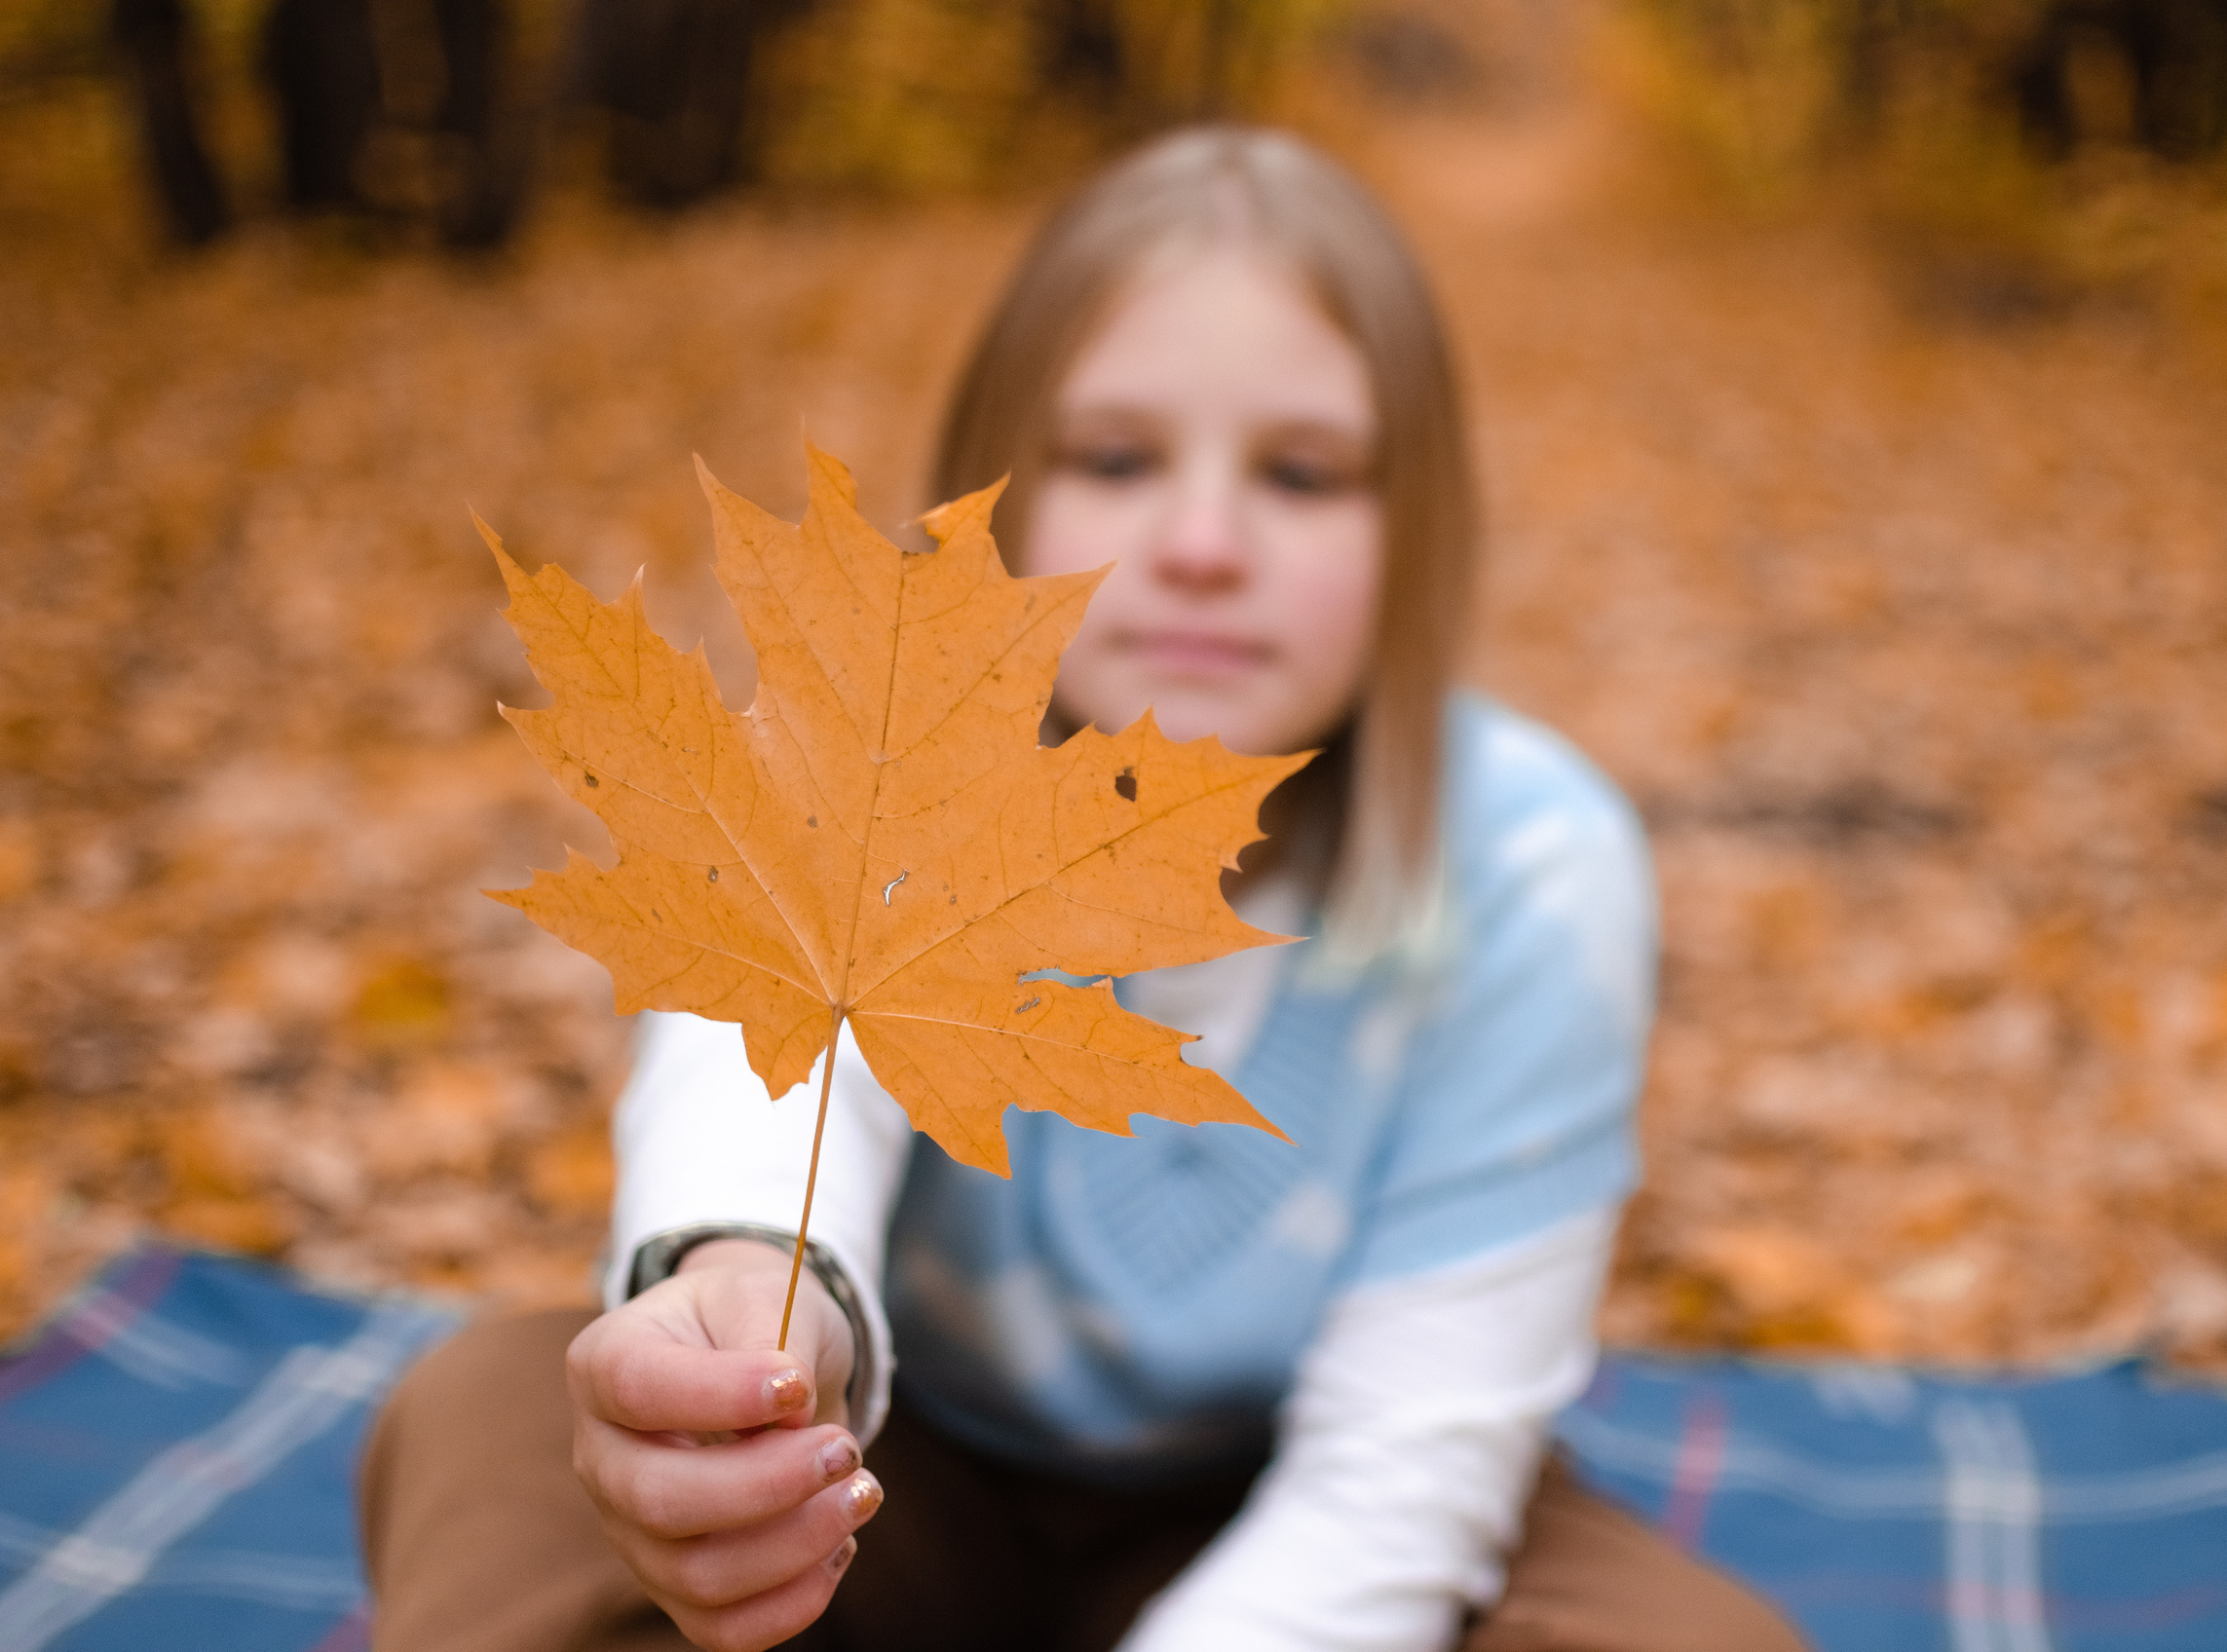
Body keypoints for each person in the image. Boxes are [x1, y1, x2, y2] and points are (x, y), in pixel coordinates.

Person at [361, 126, 1807, 1652]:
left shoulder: (1529, 864)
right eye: (1115, 461)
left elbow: (1404, 1478)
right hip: (881, 1474)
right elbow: (761, 1077)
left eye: (1303, 475)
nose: (1202, 546)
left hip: (1288, 1505)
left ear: (1418, 529)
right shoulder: (875, 767)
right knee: (495, 1424)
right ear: (997, 489)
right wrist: (749, 1286)